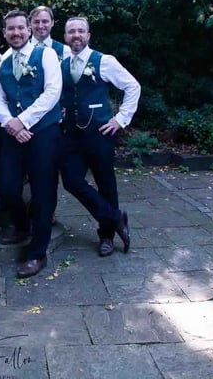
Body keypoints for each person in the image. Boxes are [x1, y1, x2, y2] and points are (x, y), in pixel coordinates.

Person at [59, 17, 140, 256]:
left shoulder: (104, 61)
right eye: (71, 31)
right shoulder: (61, 64)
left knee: (105, 183)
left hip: (99, 133)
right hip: (72, 135)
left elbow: (133, 86)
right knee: (71, 181)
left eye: (80, 31)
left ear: (88, 35)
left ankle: (107, 237)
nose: (76, 35)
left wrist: (120, 119)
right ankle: (116, 217)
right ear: (65, 37)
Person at [0, 10, 62, 278]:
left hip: (43, 133)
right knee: (5, 186)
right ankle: (22, 226)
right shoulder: (3, 61)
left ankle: (37, 254)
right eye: (11, 29)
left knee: (43, 193)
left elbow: (52, 92)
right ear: (4, 33)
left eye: (20, 28)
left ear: (29, 30)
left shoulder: (46, 55)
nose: (16, 33)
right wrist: (11, 123)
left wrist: (23, 121)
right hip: (13, 133)